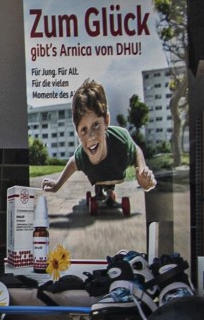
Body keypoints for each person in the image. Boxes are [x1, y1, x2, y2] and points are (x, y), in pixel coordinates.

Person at [40, 78, 158, 231]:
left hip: (115, 171)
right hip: (98, 177)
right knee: (99, 184)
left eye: (96, 125)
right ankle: (102, 191)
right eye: (84, 130)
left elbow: (136, 150)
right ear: (77, 133)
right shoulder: (82, 155)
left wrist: (142, 171)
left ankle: (109, 191)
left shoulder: (120, 140)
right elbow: (72, 162)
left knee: (109, 179)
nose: (91, 137)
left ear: (106, 121)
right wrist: (57, 185)